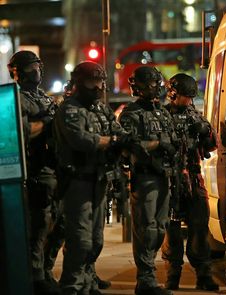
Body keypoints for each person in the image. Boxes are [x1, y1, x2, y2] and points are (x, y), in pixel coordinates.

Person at [53, 61, 129, 295]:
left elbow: (120, 134)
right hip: (77, 181)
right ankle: (72, 286)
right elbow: (82, 140)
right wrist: (110, 141)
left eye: (100, 83)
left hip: (99, 180)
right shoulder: (70, 109)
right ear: (79, 83)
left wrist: (117, 141)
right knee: (80, 240)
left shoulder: (101, 109)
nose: (96, 88)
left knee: (96, 240)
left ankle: (86, 282)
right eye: (91, 82)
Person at [119, 66, 177, 295]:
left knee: (160, 228)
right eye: (153, 83)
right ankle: (145, 280)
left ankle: (148, 276)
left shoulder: (161, 111)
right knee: (147, 229)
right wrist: (156, 144)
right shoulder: (131, 113)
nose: (157, 87)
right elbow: (127, 146)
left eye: (157, 82)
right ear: (140, 86)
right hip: (145, 178)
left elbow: (172, 139)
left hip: (164, 177)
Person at [8, 50, 61, 295]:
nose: (36, 71)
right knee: (39, 226)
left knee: (58, 224)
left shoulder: (43, 97)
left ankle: (46, 271)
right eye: (30, 67)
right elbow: (22, 130)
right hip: (34, 169)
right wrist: (47, 123)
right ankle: (36, 275)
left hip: (53, 167)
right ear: (16, 72)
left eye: (37, 65)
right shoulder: (14, 99)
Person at [161, 73, 219, 291]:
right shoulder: (162, 116)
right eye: (186, 96)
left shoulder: (196, 116)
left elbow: (212, 144)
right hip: (169, 181)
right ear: (173, 94)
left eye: (191, 97)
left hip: (193, 180)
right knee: (172, 232)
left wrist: (205, 132)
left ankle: (203, 274)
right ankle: (172, 274)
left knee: (199, 229)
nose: (189, 101)